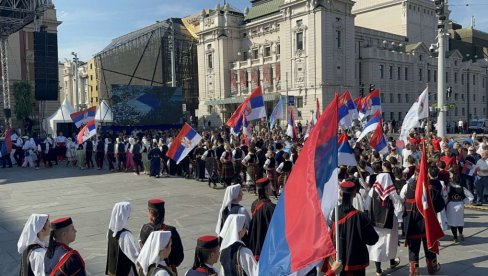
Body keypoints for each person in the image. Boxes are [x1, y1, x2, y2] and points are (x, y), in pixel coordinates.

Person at [322, 181, 379, 276]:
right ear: (354, 194)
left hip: (339, 261)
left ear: (340, 193)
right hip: (357, 260)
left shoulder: (334, 213)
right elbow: (373, 239)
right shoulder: (361, 216)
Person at [400, 171, 443, 275]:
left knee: (413, 249)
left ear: (415, 175)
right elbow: (440, 206)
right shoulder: (432, 189)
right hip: (427, 224)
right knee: (430, 247)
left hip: (412, 224)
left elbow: (401, 203)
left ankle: (414, 272)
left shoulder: (407, 187)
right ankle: (432, 268)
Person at [364, 171, 402, 275]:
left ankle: (378, 270)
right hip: (389, 222)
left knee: (377, 245)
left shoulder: (372, 190)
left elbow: (367, 205)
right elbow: (399, 208)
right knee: (390, 243)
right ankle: (392, 261)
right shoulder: (391, 192)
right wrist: (399, 219)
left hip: (375, 221)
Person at [139, 199, 184, 274]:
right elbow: (178, 257)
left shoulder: (143, 228)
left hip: (146, 269)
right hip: (166, 269)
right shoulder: (171, 231)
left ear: (150, 213)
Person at [106, 202, 139, 275]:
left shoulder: (110, 231)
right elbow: (134, 255)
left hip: (112, 270)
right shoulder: (125, 235)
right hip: (124, 271)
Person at [247, 177, 276, 261]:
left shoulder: (254, 204)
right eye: (270, 186)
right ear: (266, 190)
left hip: (256, 242)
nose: (271, 188)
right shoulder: (271, 207)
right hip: (266, 243)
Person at [446, 175, 474, 242]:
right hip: (460, 204)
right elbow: (471, 197)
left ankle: (455, 237)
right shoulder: (463, 188)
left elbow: (445, 196)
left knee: (452, 222)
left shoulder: (449, 188)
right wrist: (465, 201)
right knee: (459, 220)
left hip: (451, 205)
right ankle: (460, 234)